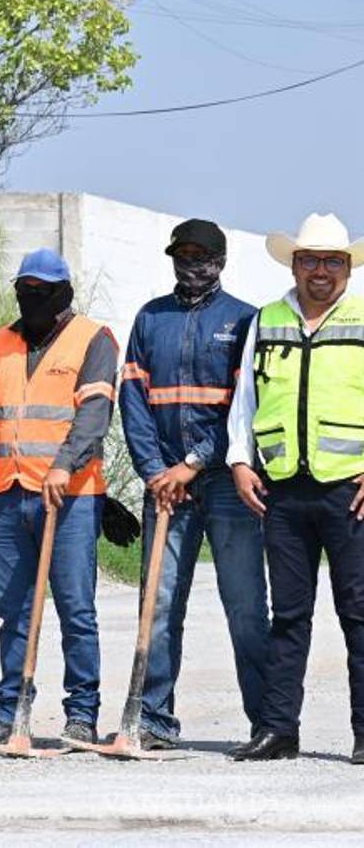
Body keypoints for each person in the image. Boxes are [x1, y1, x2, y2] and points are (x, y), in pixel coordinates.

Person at [120, 219, 269, 750]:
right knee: (157, 606)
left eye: (202, 255)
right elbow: (133, 399)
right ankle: (153, 720)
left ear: (221, 261)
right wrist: (155, 471)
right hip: (165, 484)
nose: (191, 264)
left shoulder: (245, 321)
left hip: (228, 483)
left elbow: (244, 408)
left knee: (247, 605)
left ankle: (268, 723)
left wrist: (197, 462)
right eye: (182, 254)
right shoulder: (150, 318)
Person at [0, 248, 118, 747]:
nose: (32, 298)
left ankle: (81, 715)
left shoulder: (93, 339)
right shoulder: (1, 342)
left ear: (63, 292)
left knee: (76, 609)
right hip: (8, 496)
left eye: (42, 291)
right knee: (15, 610)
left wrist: (64, 463)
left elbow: (94, 414)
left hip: (70, 498)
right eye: (25, 289)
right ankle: (12, 710)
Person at [227, 213, 364, 763]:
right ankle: (279, 730)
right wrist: (239, 461)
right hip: (282, 491)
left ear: (349, 268)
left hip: (348, 492)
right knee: (287, 617)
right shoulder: (267, 320)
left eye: (334, 261)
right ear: (295, 265)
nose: (322, 271)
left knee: (359, 614)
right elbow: (246, 401)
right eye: (311, 260)